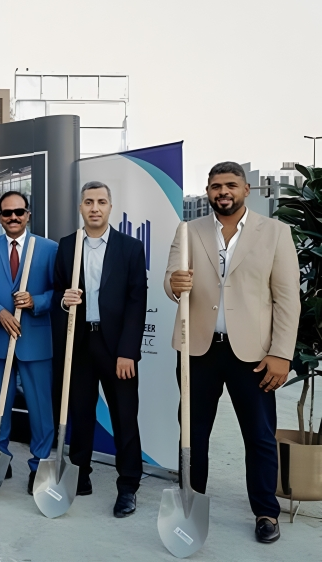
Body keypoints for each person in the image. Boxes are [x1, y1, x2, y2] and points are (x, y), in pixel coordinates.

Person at [165, 161, 299, 544]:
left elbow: (287, 298)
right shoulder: (188, 231)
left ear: (245, 190)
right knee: (192, 434)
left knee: (259, 436)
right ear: (208, 191)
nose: (223, 192)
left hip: (253, 355)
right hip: (197, 350)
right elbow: (171, 280)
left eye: (230, 185)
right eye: (215, 186)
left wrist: (281, 353)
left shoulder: (275, 233)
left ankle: (266, 512)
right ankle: (190, 504)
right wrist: (174, 283)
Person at [54, 181, 147, 518]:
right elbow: (57, 292)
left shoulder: (130, 247)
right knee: (80, 413)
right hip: (79, 343)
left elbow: (137, 301)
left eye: (101, 202)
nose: (95, 208)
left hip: (117, 347)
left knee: (124, 416)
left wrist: (128, 351)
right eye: (89, 202)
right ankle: (80, 475)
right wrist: (64, 300)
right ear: (80, 207)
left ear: (110, 207)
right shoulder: (67, 245)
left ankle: (128, 485)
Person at [0, 191, 58, 495]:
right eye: (7, 213)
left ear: (28, 214)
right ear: (0, 217)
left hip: (35, 340)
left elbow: (59, 291)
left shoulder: (49, 249)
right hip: (0, 338)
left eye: (19, 212)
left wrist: (36, 301)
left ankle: (39, 464)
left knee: (41, 408)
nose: (13, 217)